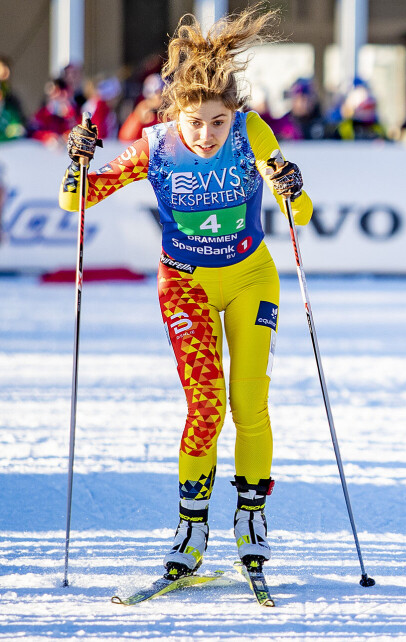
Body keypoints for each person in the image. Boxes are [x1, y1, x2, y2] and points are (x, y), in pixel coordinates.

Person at [58, 6, 313, 580]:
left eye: (217, 123)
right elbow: (77, 201)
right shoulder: (156, 146)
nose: (206, 135)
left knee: (249, 405)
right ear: (176, 116)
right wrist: (77, 163)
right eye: (195, 123)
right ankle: (191, 527)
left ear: (234, 116)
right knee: (205, 406)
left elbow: (300, 210)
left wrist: (292, 186)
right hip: (184, 283)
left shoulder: (253, 134)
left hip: (251, 276)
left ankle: (251, 517)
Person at [29, 78, 79, 147]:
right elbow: (32, 132)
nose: (58, 96)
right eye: (54, 93)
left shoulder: (76, 113)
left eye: (61, 93)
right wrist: (48, 137)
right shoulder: (43, 114)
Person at [118, 73, 164, 141]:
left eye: (162, 93)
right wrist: (138, 120)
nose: (160, 97)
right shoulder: (142, 110)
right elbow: (125, 138)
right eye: (158, 93)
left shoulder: (168, 112)